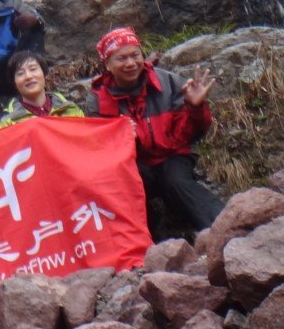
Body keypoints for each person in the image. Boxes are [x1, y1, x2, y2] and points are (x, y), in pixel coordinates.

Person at [83, 26, 224, 231]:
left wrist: (195, 108)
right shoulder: (98, 100)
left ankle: (224, 226)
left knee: (176, 181)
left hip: (172, 156)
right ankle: (142, 243)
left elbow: (190, 135)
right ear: (107, 64)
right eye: (121, 58)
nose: (131, 63)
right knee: (127, 190)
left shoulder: (168, 82)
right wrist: (122, 140)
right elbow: (99, 150)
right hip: (134, 164)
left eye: (135, 55)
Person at [0, 51, 84, 128]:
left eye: (33, 69)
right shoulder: (7, 124)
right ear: (14, 83)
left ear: (44, 74)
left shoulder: (70, 110)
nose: (28, 76)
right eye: (20, 73)